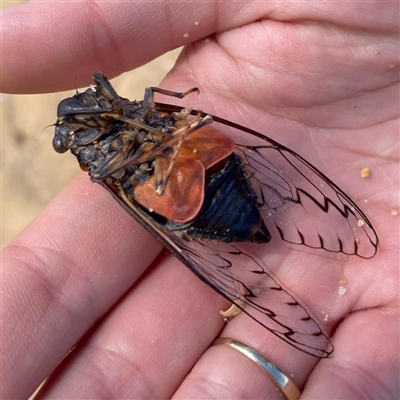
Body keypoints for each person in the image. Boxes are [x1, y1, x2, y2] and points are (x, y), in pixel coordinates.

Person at [2, 2, 399, 399]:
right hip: (173, 190)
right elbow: (118, 178)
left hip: (210, 161)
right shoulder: (101, 163)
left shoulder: (117, 107)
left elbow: (150, 99)